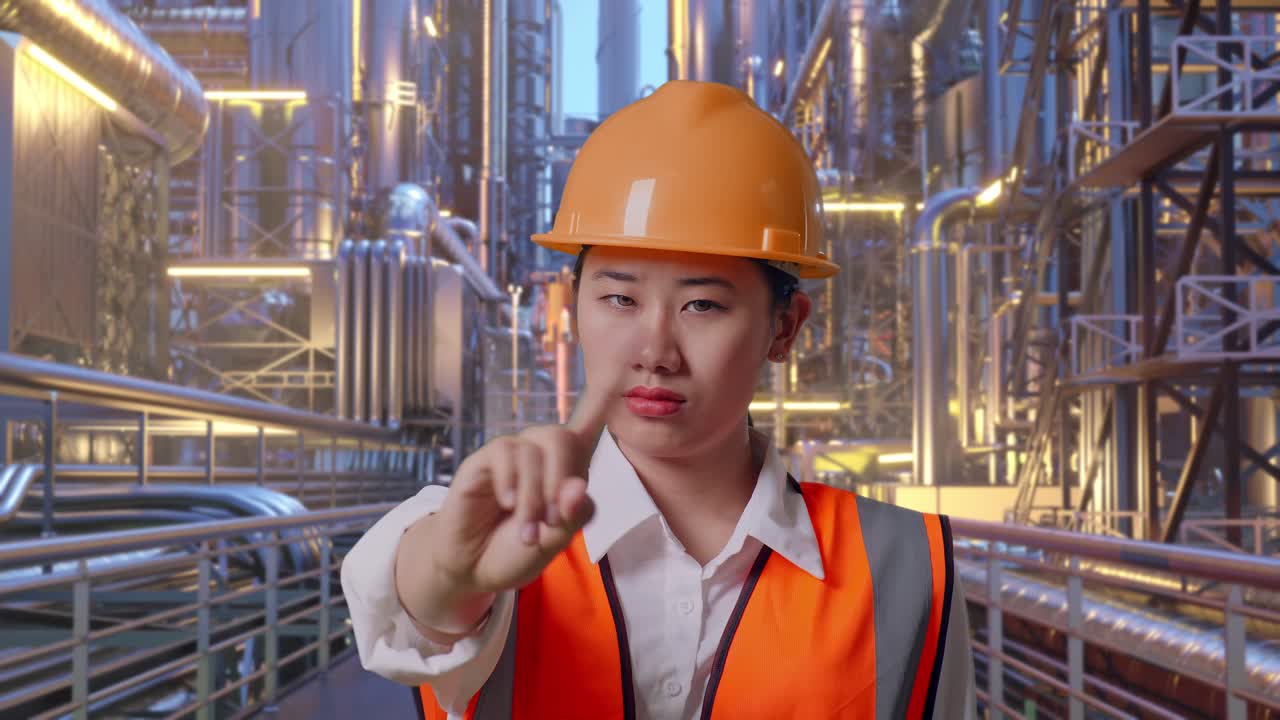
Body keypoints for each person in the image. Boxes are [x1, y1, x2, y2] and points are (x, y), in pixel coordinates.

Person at [341, 80, 977, 719]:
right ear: (577, 303)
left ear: (783, 328)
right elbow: (408, 606)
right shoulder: (492, 537)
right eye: (620, 299)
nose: (655, 351)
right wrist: (453, 575)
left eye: (702, 304)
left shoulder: (904, 567)